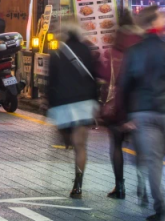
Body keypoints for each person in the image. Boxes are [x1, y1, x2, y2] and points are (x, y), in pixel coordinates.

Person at [120, 6, 165, 219]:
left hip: (143, 111)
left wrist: (126, 116)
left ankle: (161, 209)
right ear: (156, 24)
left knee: (153, 162)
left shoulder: (134, 51)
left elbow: (124, 85)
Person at [44, 23, 99, 199]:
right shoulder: (87, 50)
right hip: (84, 102)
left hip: (63, 103)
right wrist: (95, 102)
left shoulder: (57, 52)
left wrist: (49, 104)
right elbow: (93, 77)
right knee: (81, 146)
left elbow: (51, 81)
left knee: (67, 136)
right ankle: (78, 185)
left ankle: (66, 137)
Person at [99, 9, 144, 200]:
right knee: (140, 146)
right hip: (138, 103)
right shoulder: (141, 44)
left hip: (117, 104)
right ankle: (143, 186)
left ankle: (120, 186)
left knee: (116, 145)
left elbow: (104, 74)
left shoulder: (114, 47)